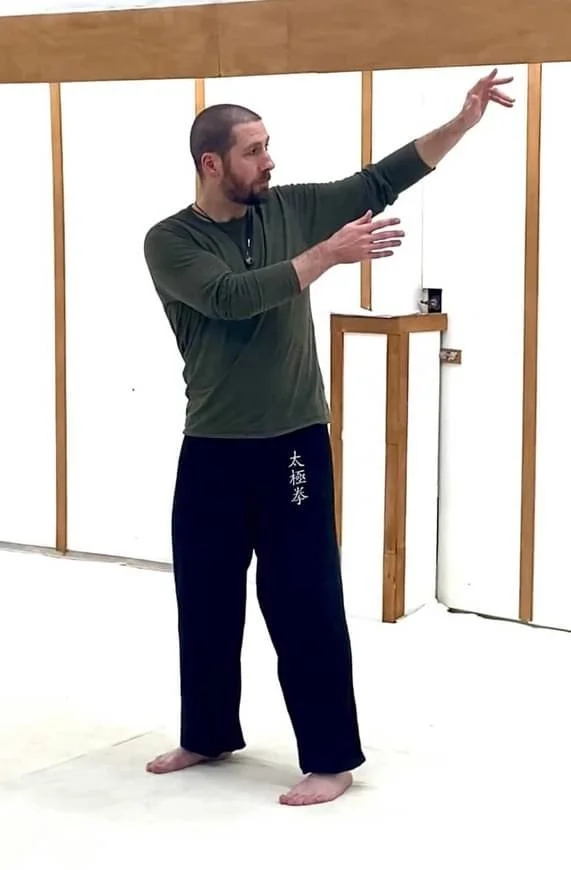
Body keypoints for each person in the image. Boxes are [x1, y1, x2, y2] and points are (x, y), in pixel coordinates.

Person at [143, 68, 514, 807]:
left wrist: (460, 123)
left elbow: (383, 178)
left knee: (304, 598)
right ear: (211, 163)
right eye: (253, 151)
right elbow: (229, 299)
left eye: (268, 146)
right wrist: (326, 257)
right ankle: (206, 732)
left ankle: (331, 757)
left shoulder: (289, 209)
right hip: (212, 447)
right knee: (206, 599)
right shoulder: (170, 241)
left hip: (291, 445)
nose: (268, 161)